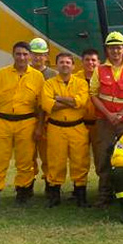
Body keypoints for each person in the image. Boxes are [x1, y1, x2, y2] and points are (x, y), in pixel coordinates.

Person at [0, 42, 46, 209]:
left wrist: (39, 127)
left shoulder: (38, 77)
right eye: (18, 54)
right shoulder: (1, 74)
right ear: (13, 55)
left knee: (25, 161)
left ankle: (23, 194)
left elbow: (41, 106)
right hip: (3, 122)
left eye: (25, 54)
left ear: (30, 56)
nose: (22, 57)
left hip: (27, 122)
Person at [89, 31, 123, 207]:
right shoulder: (99, 70)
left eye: (118, 48)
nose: (115, 51)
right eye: (111, 48)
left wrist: (120, 114)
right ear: (107, 50)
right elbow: (93, 94)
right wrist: (108, 114)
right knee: (103, 156)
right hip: (105, 121)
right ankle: (104, 195)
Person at [41, 53, 91, 208]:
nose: (65, 65)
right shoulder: (49, 83)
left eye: (68, 62)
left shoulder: (81, 83)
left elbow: (81, 102)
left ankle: (80, 195)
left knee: (80, 161)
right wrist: (71, 101)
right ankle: (54, 195)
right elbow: (47, 105)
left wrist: (59, 98)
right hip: (56, 127)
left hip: (77, 127)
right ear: (57, 65)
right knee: (56, 161)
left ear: (73, 66)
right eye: (61, 62)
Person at [29, 37, 55, 191]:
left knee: (48, 156)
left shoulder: (52, 75)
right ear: (30, 55)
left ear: (46, 56)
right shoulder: (25, 72)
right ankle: (27, 185)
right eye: (35, 54)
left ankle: (49, 185)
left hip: (48, 122)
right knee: (28, 156)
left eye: (41, 54)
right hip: (27, 120)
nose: (38, 57)